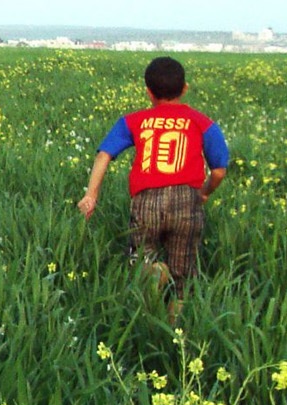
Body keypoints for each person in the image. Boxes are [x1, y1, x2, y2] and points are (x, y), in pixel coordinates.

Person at [77, 56, 229, 315]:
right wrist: (204, 193)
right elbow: (218, 171)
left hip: (146, 201)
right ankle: (174, 325)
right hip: (187, 201)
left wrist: (91, 195)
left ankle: (151, 276)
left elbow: (104, 155)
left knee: (141, 256)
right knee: (184, 272)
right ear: (185, 89)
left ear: (148, 92)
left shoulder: (134, 121)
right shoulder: (202, 123)